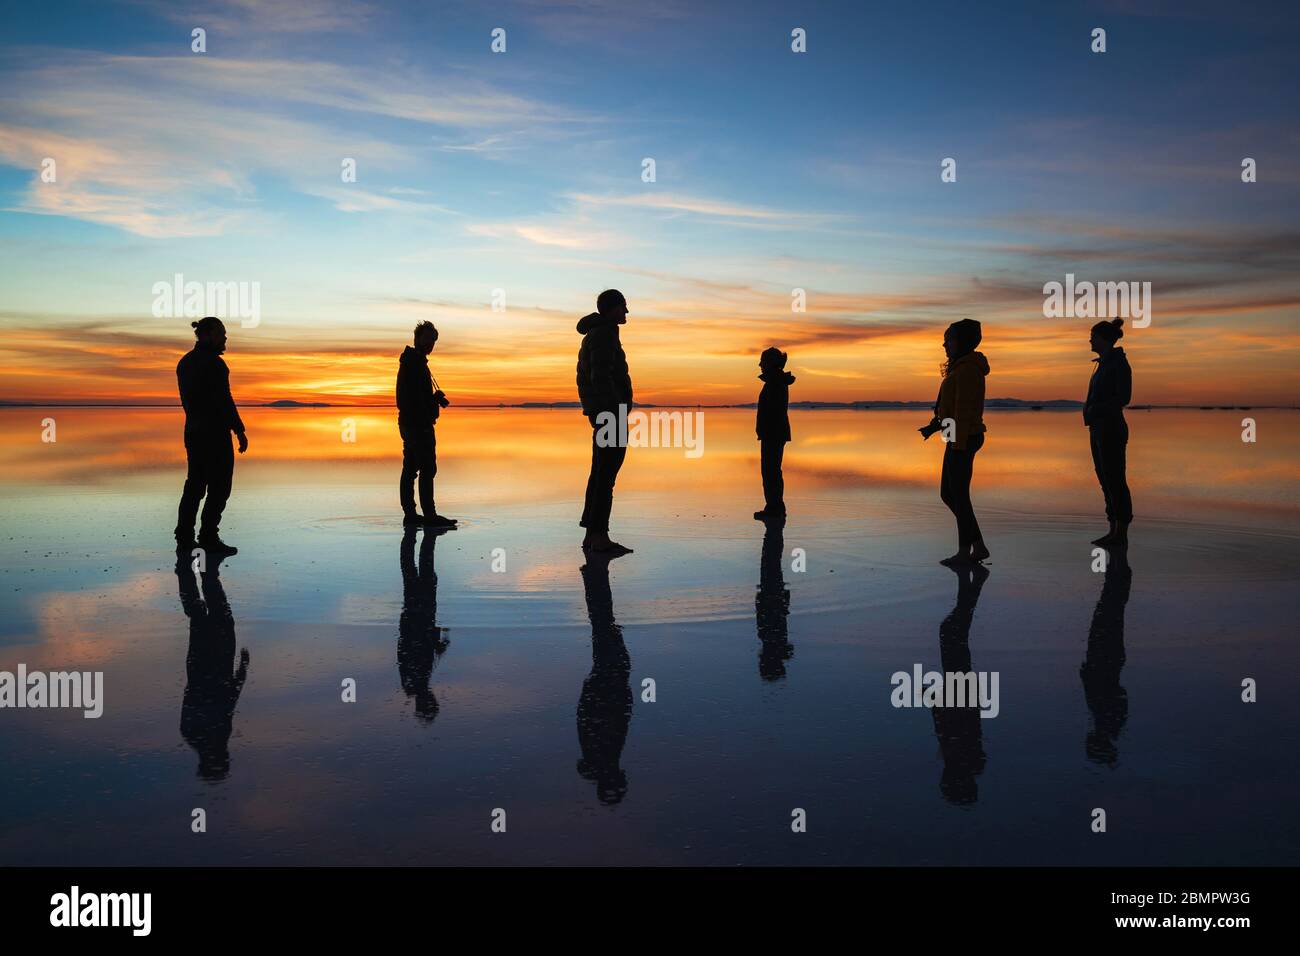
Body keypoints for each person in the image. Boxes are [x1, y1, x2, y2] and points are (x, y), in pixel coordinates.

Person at [919, 318, 990, 566]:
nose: (944, 344)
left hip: (964, 438)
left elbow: (963, 412)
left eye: (948, 339)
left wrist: (956, 445)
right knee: (949, 494)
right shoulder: (960, 368)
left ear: (962, 341)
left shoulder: (969, 370)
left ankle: (965, 550)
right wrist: (935, 426)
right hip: (956, 436)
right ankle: (978, 546)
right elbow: (950, 409)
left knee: (958, 495)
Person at [175, 316, 247, 555]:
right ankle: (207, 536)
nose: (225, 338)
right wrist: (239, 429)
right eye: (220, 333)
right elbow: (224, 401)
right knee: (219, 487)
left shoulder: (185, 363)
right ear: (206, 335)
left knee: (195, 485)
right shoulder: (215, 365)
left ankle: (185, 537)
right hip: (214, 435)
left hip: (194, 433)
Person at [576, 289, 634, 553]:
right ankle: (599, 536)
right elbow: (599, 377)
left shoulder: (599, 333)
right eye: (623, 306)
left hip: (604, 413)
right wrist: (614, 410)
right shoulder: (603, 335)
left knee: (600, 472)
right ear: (611, 308)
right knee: (606, 475)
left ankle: (592, 534)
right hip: (609, 414)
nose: (626, 312)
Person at [397, 321, 456, 529]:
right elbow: (408, 400)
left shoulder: (416, 362)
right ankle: (428, 516)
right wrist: (432, 401)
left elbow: (416, 398)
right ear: (417, 338)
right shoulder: (413, 363)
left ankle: (411, 515)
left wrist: (434, 398)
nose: (431, 343)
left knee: (411, 469)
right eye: (428, 338)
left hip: (411, 424)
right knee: (427, 468)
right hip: (417, 425)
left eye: (433, 340)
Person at [1084, 318, 1133, 546]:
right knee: (1105, 479)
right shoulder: (1103, 364)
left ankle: (1121, 532)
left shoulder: (1118, 364)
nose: (1090, 340)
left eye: (1093, 336)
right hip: (1097, 429)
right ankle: (1112, 529)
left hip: (1111, 429)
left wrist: (1096, 409)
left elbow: (1123, 398)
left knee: (1115, 480)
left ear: (1103, 339)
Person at [754, 347, 795, 521]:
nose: (759, 365)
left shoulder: (775, 382)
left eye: (762, 361)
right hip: (773, 432)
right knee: (771, 471)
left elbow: (773, 411)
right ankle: (775, 507)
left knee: (771, 472)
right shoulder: (775, 381)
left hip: (774, 433)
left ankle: (774, 508)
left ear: (770, 363)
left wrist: (765, 429)